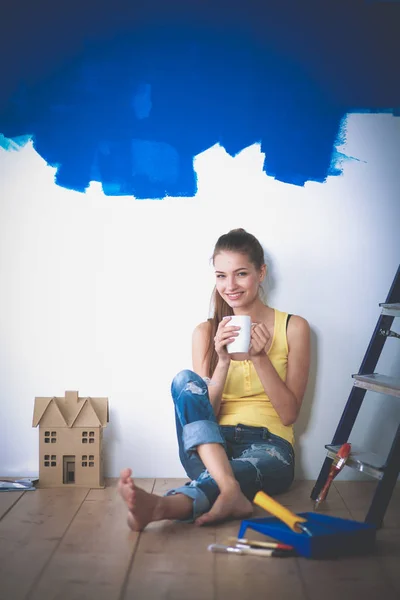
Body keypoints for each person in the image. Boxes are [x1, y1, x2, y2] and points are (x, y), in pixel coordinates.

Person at [118, 228, 310, 530]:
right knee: (185, 380)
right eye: (221, 275)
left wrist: (260, 358)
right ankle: (229, 489)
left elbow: (289, 414)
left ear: (261, 273)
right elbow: (204, 415)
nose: (229, 285)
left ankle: (162, 506)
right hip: (211, 445)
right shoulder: (205, 332)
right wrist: (222, 362)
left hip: (270, 446)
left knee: (230, 475)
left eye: (241, 274)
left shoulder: (294, 328)